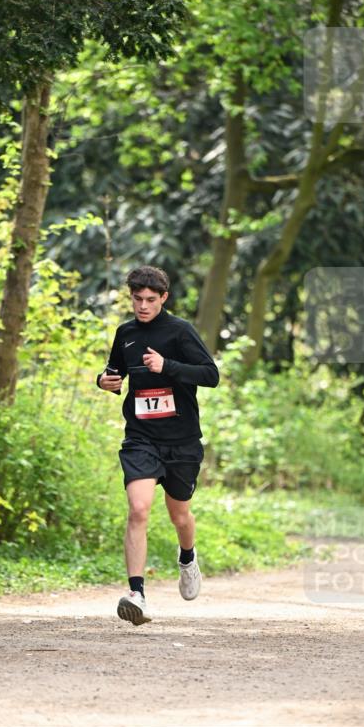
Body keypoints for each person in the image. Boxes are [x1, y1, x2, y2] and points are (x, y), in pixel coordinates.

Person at [96, 265, 219, 626]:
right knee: (138, 509)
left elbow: (210, 374)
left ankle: (187, 558)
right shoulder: (127, 333)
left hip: (181, 441)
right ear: (131, 297)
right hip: (141, 437)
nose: (143, 306)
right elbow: (114, 370)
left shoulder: (180, 331)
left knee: (179, 514)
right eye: (137, 299)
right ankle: (137, 594)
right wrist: (104, 380)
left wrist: (168, 366)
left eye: (151, 300)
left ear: (164, 298)